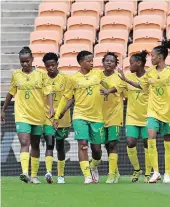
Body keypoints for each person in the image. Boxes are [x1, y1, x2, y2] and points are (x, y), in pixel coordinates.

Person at [118, 39, 170, 184]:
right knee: (151, 138)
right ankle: (156, 172)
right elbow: (140, 85)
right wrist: (126, 80)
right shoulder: (150, 73)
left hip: (168, 112)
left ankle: (166, 173)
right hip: (152, 111)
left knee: (167, 143)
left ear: (160, 57)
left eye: (153, 56)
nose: (151, 58)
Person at [1, 47, 54, 184]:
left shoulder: (41, 75)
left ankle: (34, 176)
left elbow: (48, 93)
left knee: (35, 144)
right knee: (25, 141)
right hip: (22, 114)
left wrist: (51, 108)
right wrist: (3, 109)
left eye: (27, 61)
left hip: (38, 114)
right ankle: (25, 172)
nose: (25, 64)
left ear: (32, 60)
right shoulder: (16, 75)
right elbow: (11, 93)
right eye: (22, 62)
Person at [53, 51, 105, 184]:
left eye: (92, 60)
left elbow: (110, 86)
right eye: (89, 61)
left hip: (97, 117)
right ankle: (87, 176)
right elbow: (66, 97)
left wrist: (111, 91)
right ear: (81, 62)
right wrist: (57, 116)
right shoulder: (73, 78)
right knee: (82, 145)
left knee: (97, 150)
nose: (92, 63)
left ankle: (93, 166)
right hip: (79, 115)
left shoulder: (98, 73)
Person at [101, 51, 153, 183]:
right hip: (131, 116)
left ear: (139, 63)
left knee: (148, 144)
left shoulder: (149, 77)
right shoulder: (127, 76)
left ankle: (148, 173)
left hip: (147, 116)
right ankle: (137, 169)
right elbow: (118, 87)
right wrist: (108, 90)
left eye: (131, 63)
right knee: (130, 142)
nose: (129, 66)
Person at [42, 52, 73, 184]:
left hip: (62, 117)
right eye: (48, 66)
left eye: (53, 65)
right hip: (47, 116)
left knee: (60, 147)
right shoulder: (42, 79)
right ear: (45, 67)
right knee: (49, 144)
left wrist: (64, 111)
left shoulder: (66, 79)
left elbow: (71, 98)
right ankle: (48, 172)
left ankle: (61, 175)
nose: (51, 68)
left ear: (57, 64)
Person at [100, 52, 122, 184]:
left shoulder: (119, 77)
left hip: (115, 114)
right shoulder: (97, 76)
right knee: (106, 145)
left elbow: (117, 88)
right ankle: (116, 172)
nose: (109, 63)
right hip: (100, 115)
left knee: (113, 143)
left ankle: (111, 175)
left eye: (112, 61)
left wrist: (108, 91)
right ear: (102, 62)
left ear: (115, 64)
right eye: (107, 60)